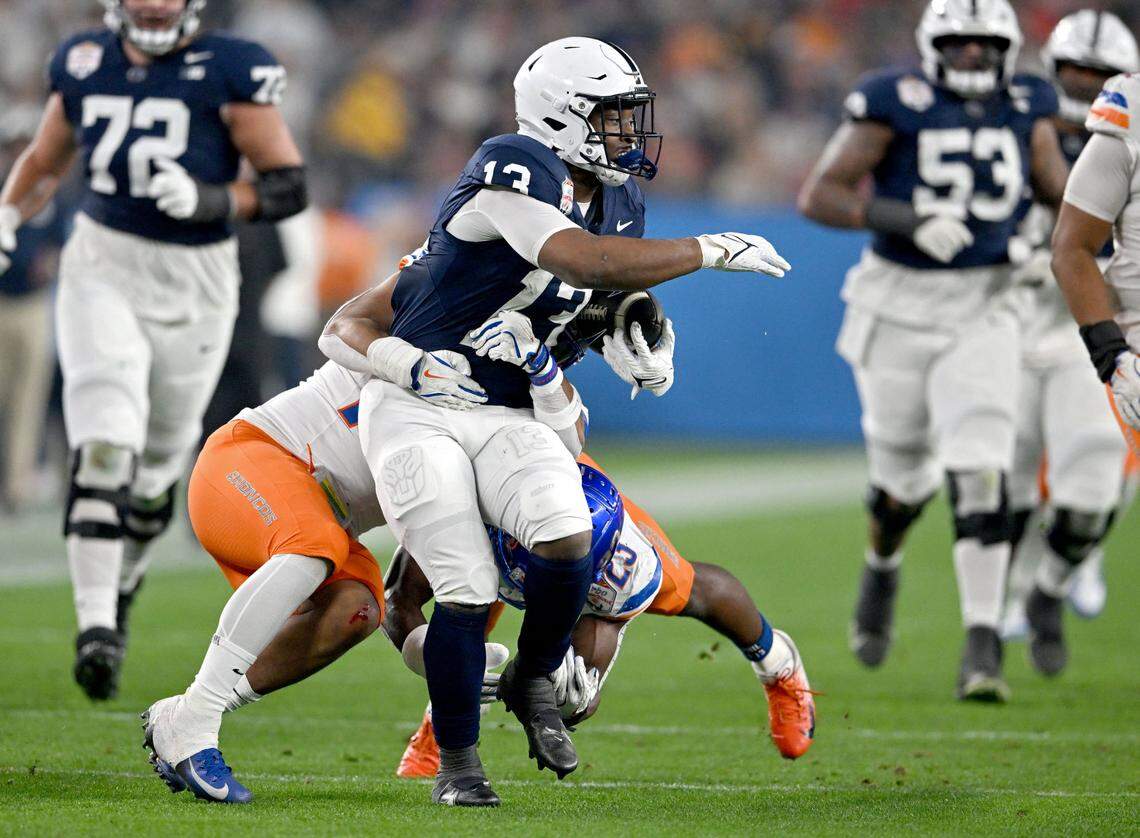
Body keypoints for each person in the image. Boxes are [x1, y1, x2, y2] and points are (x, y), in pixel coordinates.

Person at [320, 37, 790, 806]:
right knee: (466, 590)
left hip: (511, 405)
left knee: (565, 535)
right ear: (561, 117)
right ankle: (459, 766)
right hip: (422, 403)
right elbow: (581, 262)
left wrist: (640, 336)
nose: (627, 135)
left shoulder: (617, 198)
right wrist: (708, 248)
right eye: (611, 118)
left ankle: (533, 682)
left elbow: (601, 297)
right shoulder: (513, 166)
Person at [0, 0, 308, 701]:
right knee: (106, 438)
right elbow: (46, 159)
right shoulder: (83, 60)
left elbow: (288, 186)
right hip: (102, 264)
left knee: (159, 465)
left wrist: (208, 198)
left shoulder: (233, 67)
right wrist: (9, 210)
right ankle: (96, 626)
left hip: (196, 278)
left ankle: (124, 583)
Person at [797, 0, 1069, 701]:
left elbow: (1060, 194)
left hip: (987, 302)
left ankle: (982, 645)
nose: (973, 56)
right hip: (899, 301)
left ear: (1006, 49)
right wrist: (904, 217)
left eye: (985, 45)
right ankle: (881, 566)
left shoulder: (1028, 103)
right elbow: (818, 195)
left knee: (981, 467)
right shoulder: (894, 99)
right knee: (901, 480)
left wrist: (1047, 244)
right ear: (933, 46)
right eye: (960, 44)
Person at [385, 456, 816, 780]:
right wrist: (436, 665)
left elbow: (584, 687)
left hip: (569, 498)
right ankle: (443, 723)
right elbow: (398, 601)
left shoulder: (622, 564)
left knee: (686, 589)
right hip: (506, 484)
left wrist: (569, 700)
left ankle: (778, 664)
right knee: (466, 601)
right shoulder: (464, 511)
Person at [1000, 11, 1137, 675]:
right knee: (1006, 476)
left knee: (1096, 483)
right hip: (1015, 314)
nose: (1082, 86)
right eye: (1072, 74)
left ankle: (1054, 582)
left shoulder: (1114, 135)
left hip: (1091, 316)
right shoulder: (1015, 122)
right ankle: (1018, 595)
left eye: (1096, 75)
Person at [0, 105, 65, 514]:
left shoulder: (49, 192)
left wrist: (52, 260)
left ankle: (18, 485)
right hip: (2, 302)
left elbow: (62, 241)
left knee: (29, 401)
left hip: (36, 305)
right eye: (16, 146)